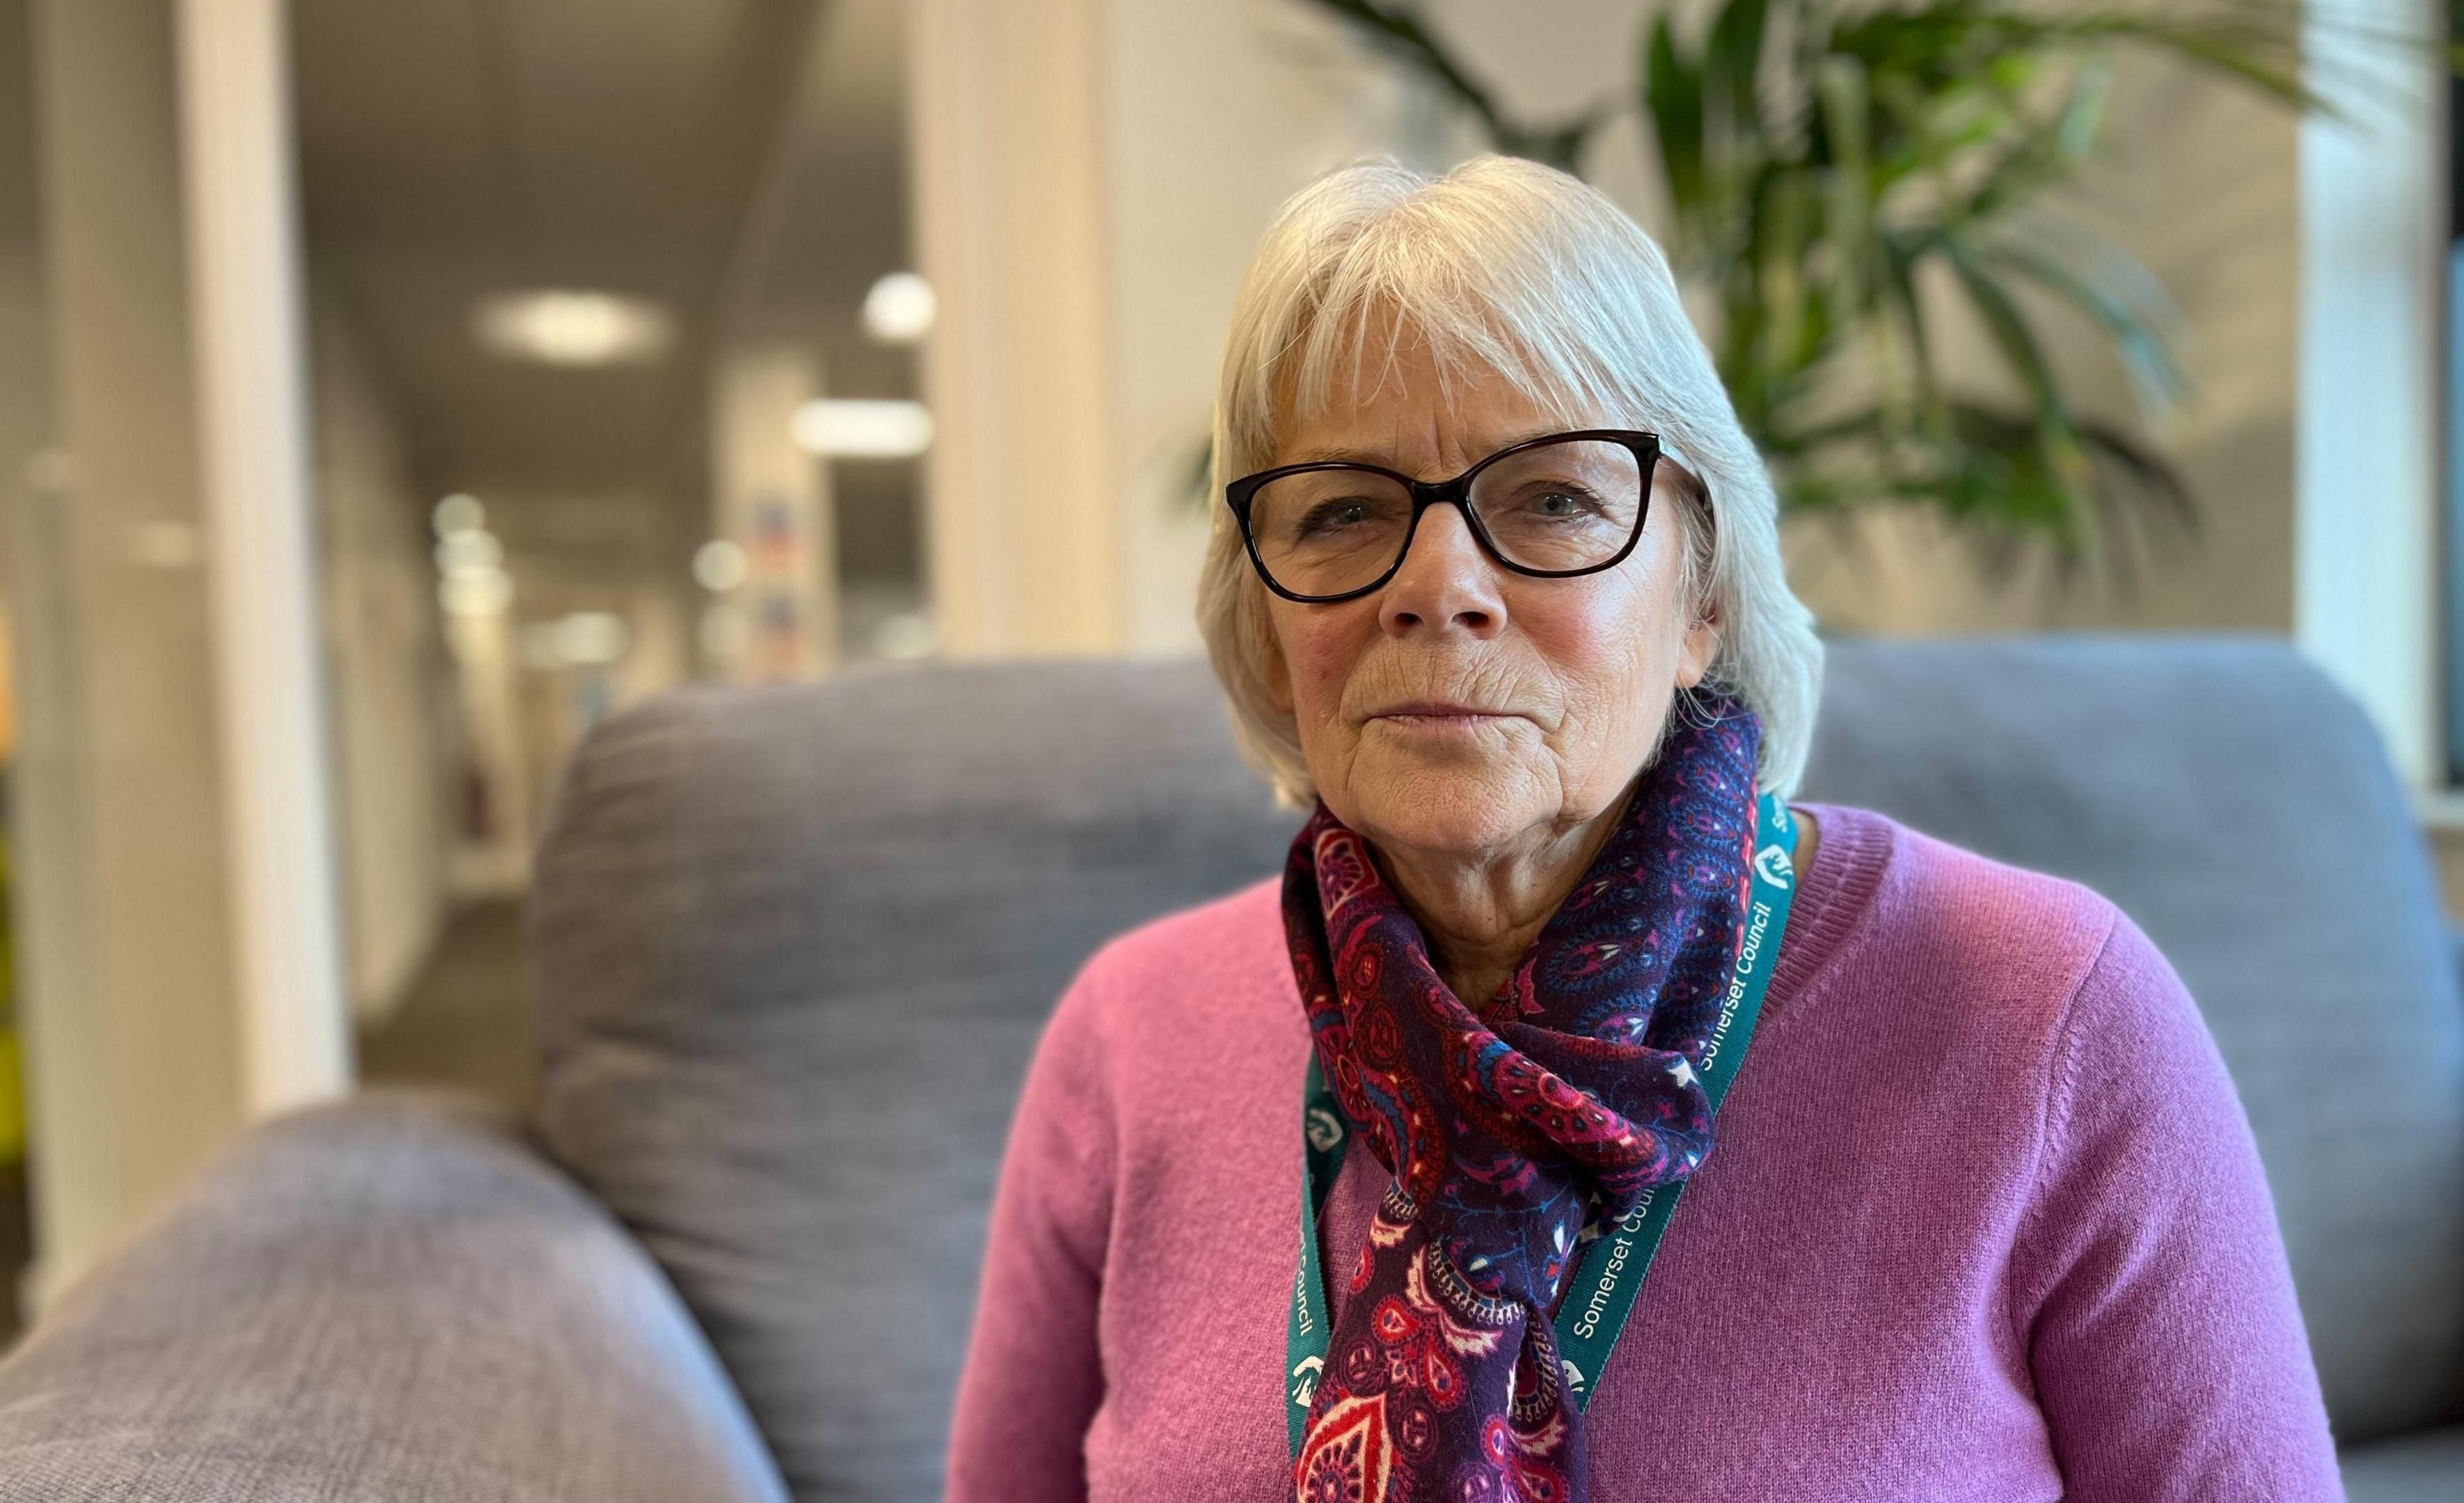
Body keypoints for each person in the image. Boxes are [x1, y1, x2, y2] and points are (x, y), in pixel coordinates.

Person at [947, 154, 2343, 1503]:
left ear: (1704, 596)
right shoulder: (1126, 1042)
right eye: (1342, 512)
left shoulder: (2050, 1016)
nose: (1439, 588)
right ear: (1264, 614)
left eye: (1552, 500)